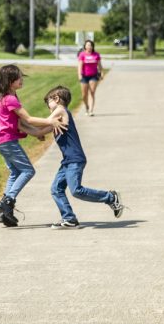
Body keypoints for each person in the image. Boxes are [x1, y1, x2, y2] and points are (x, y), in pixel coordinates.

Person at [0, 64, 65, 227]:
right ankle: (7, 202)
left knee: (15, 172)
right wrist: (50, 121)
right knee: (28, 170)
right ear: (10, 81)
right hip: (7, 141)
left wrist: (37, 133)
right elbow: (28, 119)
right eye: (18, 77)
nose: (21, 79)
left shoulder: (6, 96)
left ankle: (6, 213)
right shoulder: (10, 99)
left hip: (2, 141)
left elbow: (19, 124)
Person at [43, 85, 124, 228]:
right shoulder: (57, 117)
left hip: (75, 159)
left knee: (76, 190)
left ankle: (110, 197)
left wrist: (24, 121)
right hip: (67, 161)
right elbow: (40, 129)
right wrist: (26, 129)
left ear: (56, 99)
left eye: (48, 103)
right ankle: (69, 218)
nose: (48, 107)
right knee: (56, 189)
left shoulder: (60, 110)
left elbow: (43, 123)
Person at [77, 39, 103, 116]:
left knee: (92, 92)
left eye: (90, 45)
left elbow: (99, 65)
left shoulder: (96, 55)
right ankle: (86, 107)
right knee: (84, 95)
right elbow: (79, 66)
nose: (89, 46)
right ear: (85, 46)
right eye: (88, 45)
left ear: (92, 46)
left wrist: (101, 73)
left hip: (93, 76)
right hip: (84, 76)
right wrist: (79, 75)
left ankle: (91, 110)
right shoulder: (82, 55)